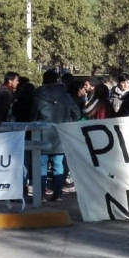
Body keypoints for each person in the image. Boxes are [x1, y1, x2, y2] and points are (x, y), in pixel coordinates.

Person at [31, 69, 82, 202]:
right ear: (56, 80)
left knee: (41, 165)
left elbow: (33, 116)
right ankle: (58, 194)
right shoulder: (66, 95)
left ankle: (40, 195)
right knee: (58, 165)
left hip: (41, 134)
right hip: (61, 134)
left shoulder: (38, 95)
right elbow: (77, 114)